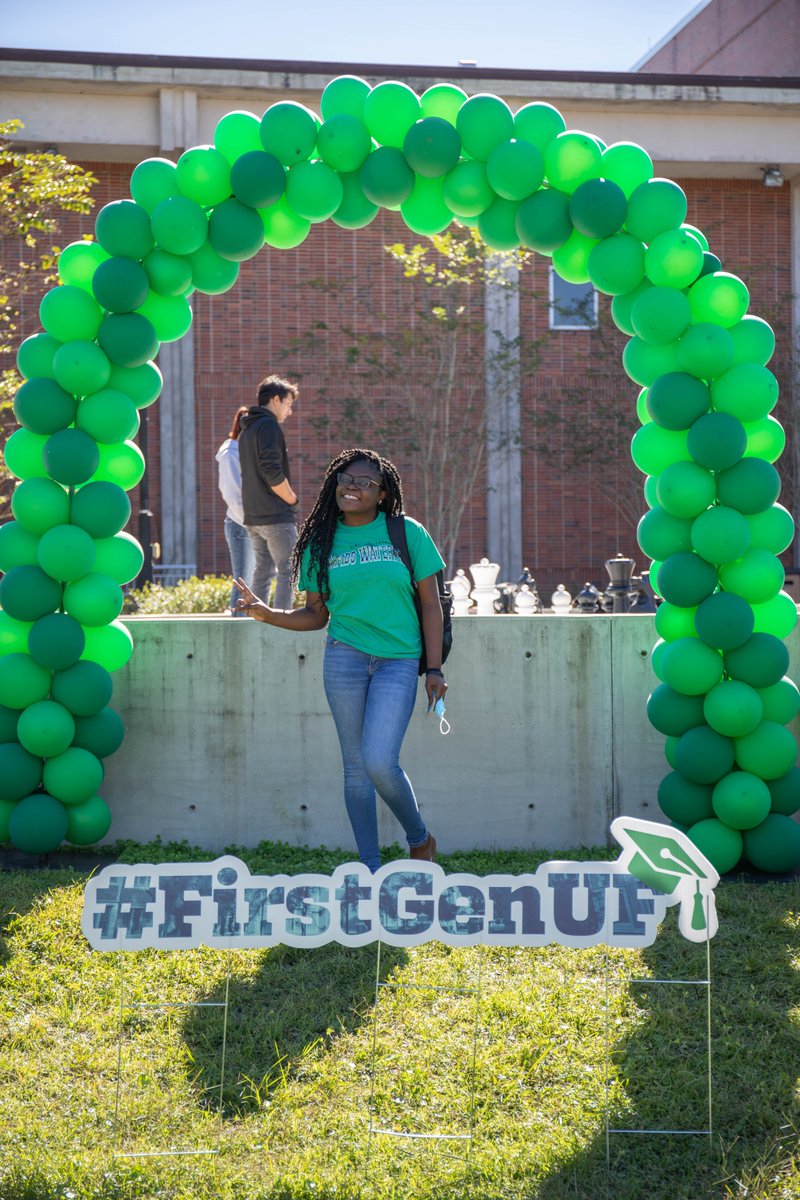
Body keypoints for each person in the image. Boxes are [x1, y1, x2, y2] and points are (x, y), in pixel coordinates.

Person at [234, 447, 447, 871]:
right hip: (344, 657)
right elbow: (316, 614)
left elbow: (430, 603)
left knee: (379, 762)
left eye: (365, 482)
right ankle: (369, 867)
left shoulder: (407, 533)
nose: (352, 487)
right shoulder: (320, 542)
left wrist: (435, 668)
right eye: (346, 479)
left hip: (398, 661)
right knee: (355, 770)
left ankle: (419, 839)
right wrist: (268, 614)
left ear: (383, 494)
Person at [238, 374, 299, 610]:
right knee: (287, 570)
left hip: (253, 516)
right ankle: (281, 624)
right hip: (275, 515)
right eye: (288, 404)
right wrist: (292, 500)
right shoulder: (268, 426)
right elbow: (272, 472)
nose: (289, 411)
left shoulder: (248, 429)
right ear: (275, 399)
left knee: (262, 571)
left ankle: (257, 622)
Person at [215, 405, 255, 617]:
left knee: (254, 580)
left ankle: (246, 622)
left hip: (255, 525)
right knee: (243, 580)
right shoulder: (231, 452)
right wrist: (252, 523)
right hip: (241, 525)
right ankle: (237, 625)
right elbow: (232, 494)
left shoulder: (248, 451)